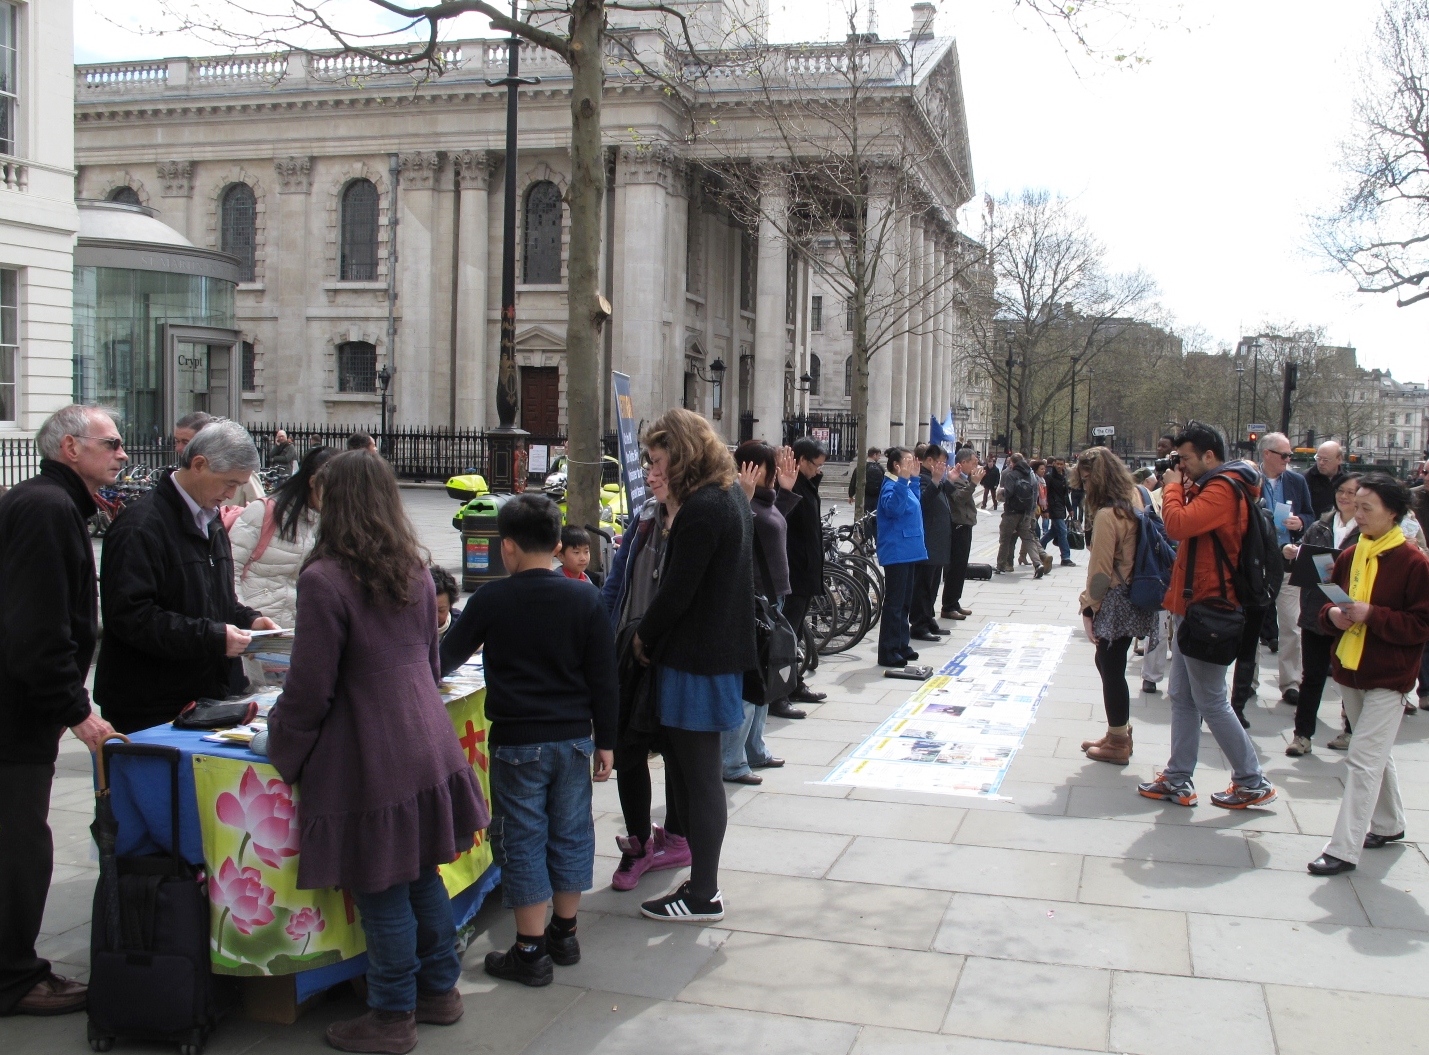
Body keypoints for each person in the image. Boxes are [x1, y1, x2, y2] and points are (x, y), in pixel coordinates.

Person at [267, 452, 489, 1052]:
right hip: (424, 738)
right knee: (420, 876)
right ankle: (439, 990)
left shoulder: (324, 579)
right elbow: (428, 661)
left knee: (383, 888)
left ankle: (392, 1015)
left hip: (369, 749)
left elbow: (310, 687)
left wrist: (282, 745)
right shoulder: (415, 569)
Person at [438, 492, 617, 982]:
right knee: (571, 832)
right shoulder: (586, 597)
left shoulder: (492, 599)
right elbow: (604, 677)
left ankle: (530, 949)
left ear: (507, 546)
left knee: (523, 839)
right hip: (575, 739)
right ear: (558, 545)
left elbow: (445, 658)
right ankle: (565, 933)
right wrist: (607, 740)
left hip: (517, 742)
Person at [0, 406, 123, 1018]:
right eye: (111, 443)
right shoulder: (48, 508)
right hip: (16, 716)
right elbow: (38, 626)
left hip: (22, 709)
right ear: (71, 449)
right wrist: (78, 712)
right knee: (20, 849)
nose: (122, 453)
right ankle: (15, 978)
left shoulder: (52, 503)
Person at [630, 409, 756, 922]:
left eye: (657, 460)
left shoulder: (704, 507)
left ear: (682, 456)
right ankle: (700, 883)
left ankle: (704, 892)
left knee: (700, 779)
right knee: (690, 776)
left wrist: (643, 635)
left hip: (698, 661)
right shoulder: (727, 496)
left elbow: (678, 591)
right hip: (710, 656)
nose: (651, 470)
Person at [95, 421, 279, 733]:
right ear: (199, 465)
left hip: (206, 692)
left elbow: (212, 597)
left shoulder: (209, 518)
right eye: (229, 483)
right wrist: (213, 637)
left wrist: (249, 620)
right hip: (152, 702)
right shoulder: (141, 526)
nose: (231, 494)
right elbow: (131, 617)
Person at [1137, 422, 1278, 810]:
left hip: (1210, 608)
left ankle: (1251, 780)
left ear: (1209, 456)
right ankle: (1178, 777)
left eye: (1185, 459)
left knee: (1212, 700)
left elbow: (1178, 524)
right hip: (1194, 605)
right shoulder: (1214, 484)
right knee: (1183, 695)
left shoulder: (1223, 488)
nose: (1180, 465)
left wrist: (1172, 486)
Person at [1307, 473, 1429, 876]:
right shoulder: (1350, 554)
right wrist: (1333, 616)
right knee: (1373, 752)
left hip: (1390, 676)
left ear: (1393, 513)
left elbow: (1421, 625)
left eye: (1366, 507)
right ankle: (1390, 824)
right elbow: (1327, 604)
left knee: (1362, 759)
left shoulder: (1414, 562)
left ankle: (1343, 848)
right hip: (1350, 669)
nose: (1356, 514)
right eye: (1354, 505)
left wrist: (1372, 615)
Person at [599, 451, 691, 893]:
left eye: (659, 466)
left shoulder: (699, 520)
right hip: (630, 654)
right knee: (628, 749)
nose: (650, 475)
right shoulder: (644, 520)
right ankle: (637, 842)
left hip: (676, 658)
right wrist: (602, 637)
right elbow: (617, 582)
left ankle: (676, 836)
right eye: (649, 465)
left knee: (677, 751)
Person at [723, 441, 801, 784]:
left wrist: (785, 491)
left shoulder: (763, 500)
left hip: (773, 598)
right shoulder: (738, 500)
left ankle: (755, 749)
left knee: (766, 680)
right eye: (771, 466)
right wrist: (743, 496)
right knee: (752, 684)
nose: (776, 471)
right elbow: (740, 536)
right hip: (754, 601)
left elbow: (773, 525)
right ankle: (732, 761)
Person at [1076, 447, 1155, 765]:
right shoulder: (1136, 498)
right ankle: (1117, 730)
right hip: (1136, 592)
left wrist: (1088, 608)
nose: (1084, 487)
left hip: (1115, 598)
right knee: (1110, 663)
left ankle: (1118, 741)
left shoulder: (1108, 515)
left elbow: (1099, 573)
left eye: (1086, 480)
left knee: (1110, 667)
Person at [1281, 473, 1361, 756]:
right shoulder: (1320, 526)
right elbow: (1302, 564)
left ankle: (1350, 730)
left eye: (1351, 492)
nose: (1344, 497)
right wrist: (1293, 553)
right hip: (1317, 610)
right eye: (1341, 491)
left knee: (1349, 676)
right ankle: (1302, 735)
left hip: (1350, 613)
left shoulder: (1366, 531)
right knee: (1312, 676)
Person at [230, 444, 335, 629]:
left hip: (292, 629)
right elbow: (229, 571)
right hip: (255, 627)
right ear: (313, 481)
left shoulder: (325, 521)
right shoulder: (263, 511)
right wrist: (245, 620)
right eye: (332, 490)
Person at [1258, 432, 1313, 708]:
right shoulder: (1250, 479)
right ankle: (1247, 681)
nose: (1288, 459)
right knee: (1252, 623)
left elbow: (1310, 515)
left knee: (1291, 623)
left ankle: (1291, 682)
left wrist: (1300, 522)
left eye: (1289, 455)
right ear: (1267, 454)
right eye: (1284, 455)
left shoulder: (1296, 481)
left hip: (1288, 560)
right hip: (1258, 562)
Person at [779, 436, 829, 714]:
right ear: (800, 460)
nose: (818, 471)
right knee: (786, 635)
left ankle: (794, 683)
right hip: (794, 572)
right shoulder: (788, 486)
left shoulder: (806, 484)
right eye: (816, 465)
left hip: (807, 571)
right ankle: (780, 692)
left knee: (796, 633)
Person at [877, 447, 928, 668]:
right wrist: (904, 481)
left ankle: (901, 644)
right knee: (895, 604)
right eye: (907, 461)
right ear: (896, 466)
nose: (911, 463)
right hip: (897, 550)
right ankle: (888, 650)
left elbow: (914, 503)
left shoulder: (902, 484)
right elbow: (894, 510)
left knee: (905, 602)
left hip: (909, 549)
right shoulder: (890, 485)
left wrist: (914, 480)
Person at [911, 445, 952, 642]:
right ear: (929, 461)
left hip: (938, 542)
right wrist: (936, 480)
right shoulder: (921, 479)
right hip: (928, 541)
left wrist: (949, 479)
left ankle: (928, 618)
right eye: (940, 462)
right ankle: (919, 624)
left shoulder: (936, 479)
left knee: (933, 584)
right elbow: (922, 503)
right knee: (923, 586)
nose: (943, 466)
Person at [940, 447, 981, 622]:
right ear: (963, 462)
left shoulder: (963, 478)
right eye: (973, 462)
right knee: (955, 567)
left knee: (961, 567)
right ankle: (948, 606)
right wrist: (973, 484)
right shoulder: (955, 479)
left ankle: (954, 602)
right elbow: (958, 499)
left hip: (965, 524)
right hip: (958, 526)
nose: (976, 466)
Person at [996, 453, 1051, 577]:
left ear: (1013, 463)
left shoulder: (1011, 475)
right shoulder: (1031, 475)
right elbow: (1034, 493)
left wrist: (1001, 492)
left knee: (1005, 539)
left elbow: (1008, 493)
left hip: (1011, 512)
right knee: (1028, 539)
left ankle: (1001, 566)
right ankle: (1038, 564)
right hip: (1027, 512)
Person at [1040, 457, 1075, 566]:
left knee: (1054, 531)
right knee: (1063, 531)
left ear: (1064, 465)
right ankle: (1065, 557)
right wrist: (1045, 509)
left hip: (1061, 507)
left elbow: (1065, 495)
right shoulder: (1049, 477)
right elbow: (1044, 494)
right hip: (1053, 507)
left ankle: (1039, 547)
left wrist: (1070, 508)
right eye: (1057, 464)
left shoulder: (1063, 477)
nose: (1059, 466)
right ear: (1054, 464)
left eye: (1061, 464)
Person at [1305, 440, 1349, 518]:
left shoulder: (1348, 480)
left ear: (1339, 459)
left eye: (1325, 460)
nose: (1321, 463)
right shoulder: (1305, 478)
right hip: (1312, 524)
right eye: (1318, 458)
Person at [850, 446, 883, 523]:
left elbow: (854, 480)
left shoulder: (861, 467)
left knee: (865, 518)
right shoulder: (880, 468)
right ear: (874, 455)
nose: (879, 458)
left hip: (865, 496)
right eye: (878, 455)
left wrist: (851, 494)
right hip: (877, 497)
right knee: (875, 518)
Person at [430, 565, 460, 638]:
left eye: (441, 610)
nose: (435, 616)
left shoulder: (462, 624)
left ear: (450, 606)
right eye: (429, 610)